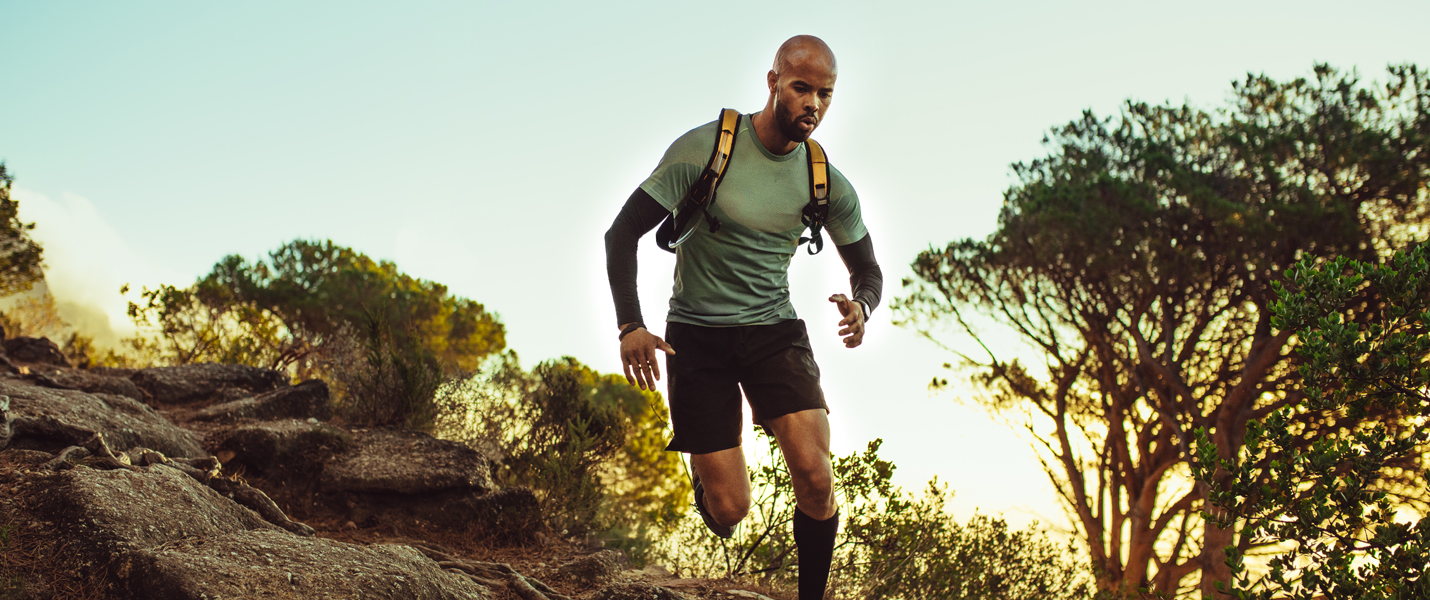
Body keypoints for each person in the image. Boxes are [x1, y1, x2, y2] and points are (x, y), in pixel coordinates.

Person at [603, 35, 882, 600]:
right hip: (696, 337)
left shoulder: (826, 181)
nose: (814, 104)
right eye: (802, 88)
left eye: (825, 94)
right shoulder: (704, 151)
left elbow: (868, 270)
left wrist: (863, 306)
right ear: (773, 80)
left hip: (772, 332)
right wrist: (630, 325)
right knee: (730, 510)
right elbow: (620, 235)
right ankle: (708, 481)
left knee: (815, 474)